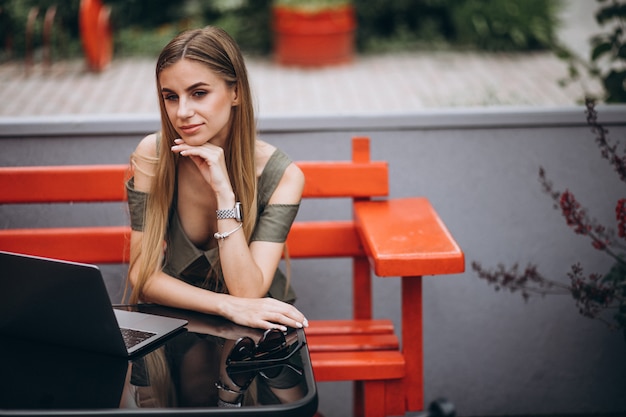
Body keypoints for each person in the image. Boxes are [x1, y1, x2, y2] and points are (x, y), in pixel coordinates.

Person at [125, 26, 308, 332]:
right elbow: (143, 276)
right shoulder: (154, 157)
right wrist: (226, 306)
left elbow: (249, 293)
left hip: (260, 327)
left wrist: (224, 193)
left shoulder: (282, 176)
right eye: (171, 97)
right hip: (180, 317)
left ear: (235, 92)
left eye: (199, 93)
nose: (182, 112)